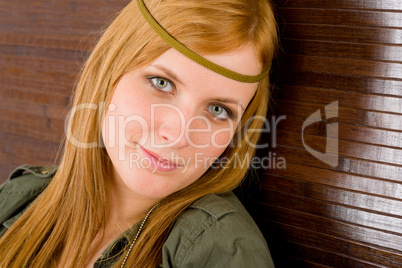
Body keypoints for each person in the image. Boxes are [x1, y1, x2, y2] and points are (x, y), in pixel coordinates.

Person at [0, 0, 277, 267]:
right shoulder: (17, 200)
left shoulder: (218, 250)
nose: (179, 135)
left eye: (217, 110)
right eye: (161, 83)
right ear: (109, 72)